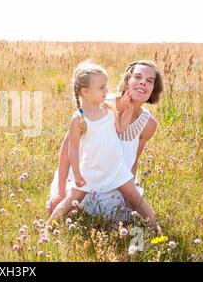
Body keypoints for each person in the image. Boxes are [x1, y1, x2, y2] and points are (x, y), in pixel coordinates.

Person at [47, 61, 161, 232]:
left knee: (132, 205)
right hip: (89, 171)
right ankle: (47, 231)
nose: (143, 82)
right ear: (127, 80)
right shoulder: (100, 104)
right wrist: (61, 189)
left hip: (115, 173)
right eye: (138, 77)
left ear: (153, 88)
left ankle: (156, 231)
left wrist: (129, 186)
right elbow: (68, 148)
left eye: (150, 80)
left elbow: (133, 160)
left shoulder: (148, 123)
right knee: (71, 205)